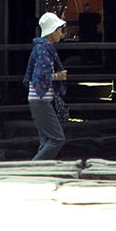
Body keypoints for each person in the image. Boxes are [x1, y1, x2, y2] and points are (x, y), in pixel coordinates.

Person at [24, 11, 69, 161]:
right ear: (52, 31)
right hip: (41, 99)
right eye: (60, 30)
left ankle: (40, 171)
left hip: (39, 99)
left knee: (46, 140)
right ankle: (32, 168)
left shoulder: (41, 48)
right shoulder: (44, 49)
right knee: (57, 138)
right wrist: (58, 76)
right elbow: (40, 76)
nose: (62, 34)